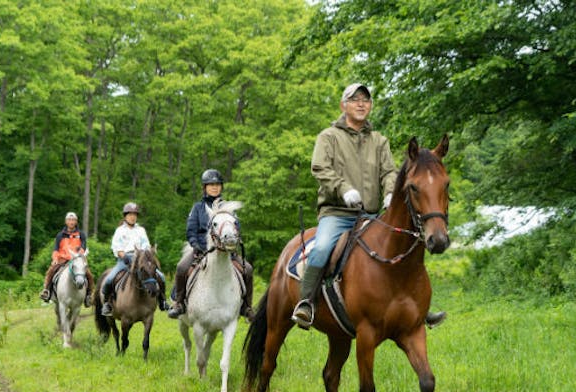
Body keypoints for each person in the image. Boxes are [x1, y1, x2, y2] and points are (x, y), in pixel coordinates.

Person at [291, 83, 446, 329]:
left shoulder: (379, 140)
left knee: (410, 243)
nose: (361, 103)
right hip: (337, 213)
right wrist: (344, 190)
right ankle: (306, 302)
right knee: (320, 248)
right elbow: (320, 168)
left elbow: (389, 173)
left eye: (366, 100)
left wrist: (389, 194)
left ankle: (419, 308)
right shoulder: (328, 137)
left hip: (372, 214)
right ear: (344, 105)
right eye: (355, 99)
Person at [167, 169, 254, 321]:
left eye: (217, 184)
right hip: (200, 250)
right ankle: (179, 303)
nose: (214, 187)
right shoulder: (197, 208)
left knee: (248, 269)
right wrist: (195, 245)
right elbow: (191, 231)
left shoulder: (228, 208)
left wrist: (233, 243)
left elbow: (236, 228)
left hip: (226, 251)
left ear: (221, 187)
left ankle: (246, 307)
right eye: (210, 184)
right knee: (181, 267)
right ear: (204, 187)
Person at [101, 202, 168, 316]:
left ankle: (162, 301)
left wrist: (146, 255)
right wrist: (124, 256)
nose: (133, 217)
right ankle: (107, 304)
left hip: (141, 260)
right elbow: (116, 247)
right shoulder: (120, 230)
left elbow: (146, 245)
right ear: (125, 216)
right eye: (130, 214)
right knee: (109, 279)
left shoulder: (141, 230)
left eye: (135, 214)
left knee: (160, 276)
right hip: (124, 259)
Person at [40, 212, 95, 307]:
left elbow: (83, 247)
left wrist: (79, 255)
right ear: (66, 221)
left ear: (76, 221)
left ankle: (89, 296)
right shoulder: (60, 235)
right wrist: (55, 258)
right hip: (63, 259)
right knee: (51, 271)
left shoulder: (81, 234)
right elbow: (56, 249)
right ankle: (46, 291)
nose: (71, 222)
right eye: (69, 220)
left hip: (76, 260)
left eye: (73, 220)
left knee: (89, 274)